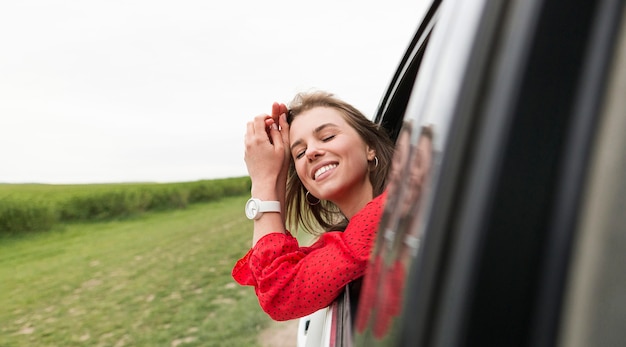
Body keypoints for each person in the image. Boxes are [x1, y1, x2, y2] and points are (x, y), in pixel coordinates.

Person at [232, 91, 395, 321]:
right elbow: (271, 277)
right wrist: (276, 174)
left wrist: (263, 181)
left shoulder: (388, 212)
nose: (311, 152)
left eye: (327, 137)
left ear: (370, 147)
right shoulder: (350, 235)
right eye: (299, 153)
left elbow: (281, 295)